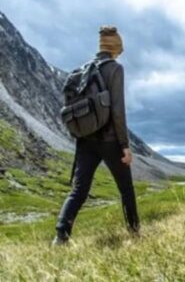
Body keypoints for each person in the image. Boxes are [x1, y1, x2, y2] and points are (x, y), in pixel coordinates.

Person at [53, 26, 139, 245]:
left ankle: (60, 237)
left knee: (79, 191)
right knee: (126, 189)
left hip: (85, 140)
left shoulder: (83, 69)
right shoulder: (115, 69)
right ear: (115, 47)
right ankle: (135, 233)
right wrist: (125, 146)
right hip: (110, 140)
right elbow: (118, 111)